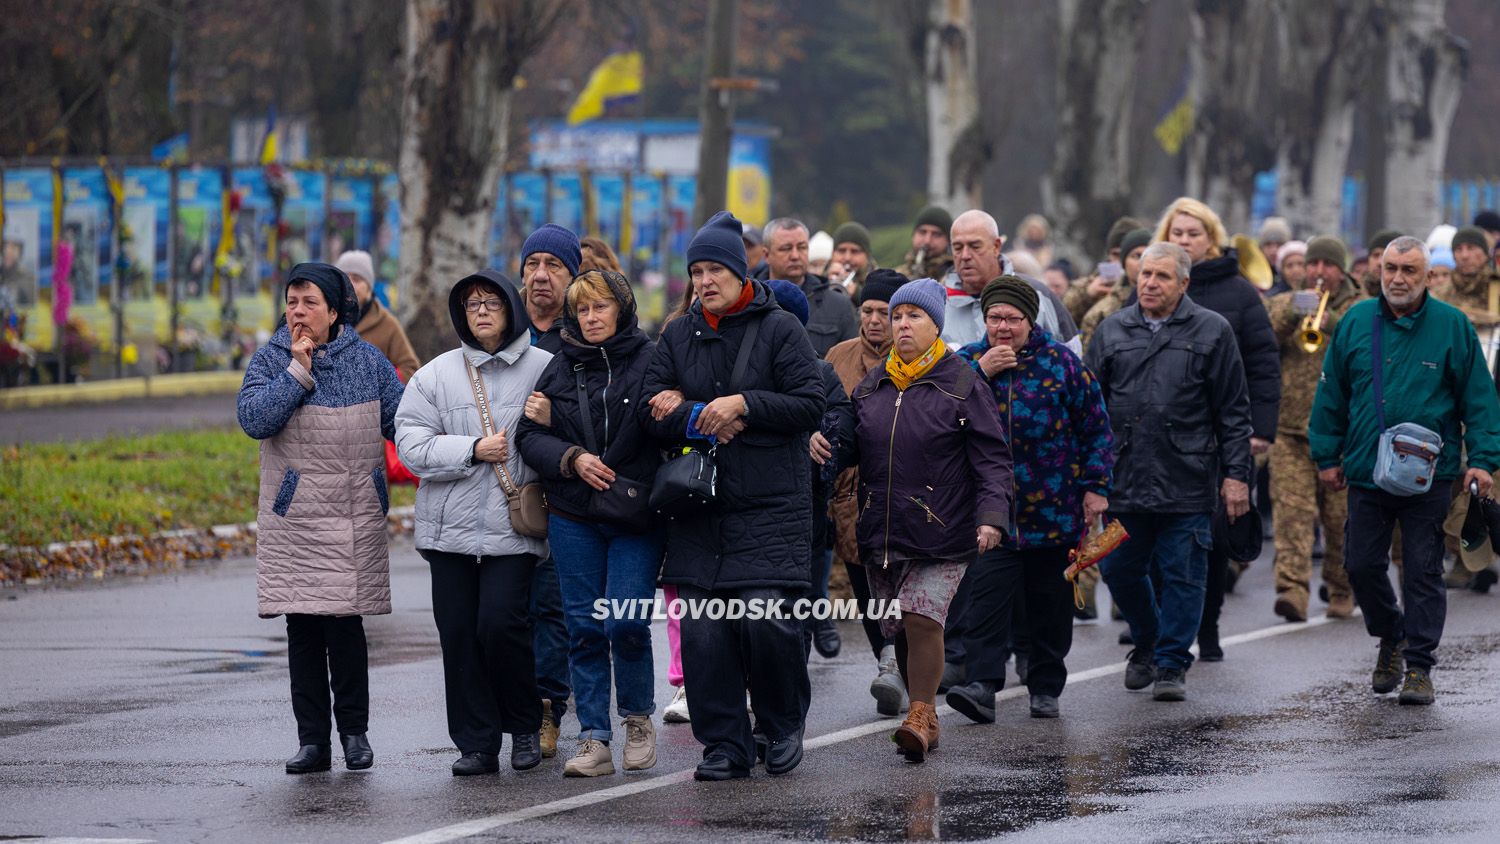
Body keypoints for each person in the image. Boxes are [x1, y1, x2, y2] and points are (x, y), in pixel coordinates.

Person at [642, 211, 825, 781]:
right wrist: (700, 416)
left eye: (714, 268)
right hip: (700, 508)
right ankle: (724, 744)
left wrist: (745, 404)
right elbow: (652, 408)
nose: (703, 280)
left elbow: (809, 404)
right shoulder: (676, 333)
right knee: (703, 632)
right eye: (695, 270)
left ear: (740, 271)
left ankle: (779, 725)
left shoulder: (781, 330)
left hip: (771, 506)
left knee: (766, 621)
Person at [1310, 237, 1500, 705]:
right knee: (1359, 564)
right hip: (1364, 471)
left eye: (1409, 270)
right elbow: (1331, 394)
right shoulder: (1355, 320)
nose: (1398, 278)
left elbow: (1479, 400)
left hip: (1429, 477)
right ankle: (1391, 634)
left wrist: (1482, 461)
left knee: (1422, 571)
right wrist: (1326, 456)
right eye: (1391, 268)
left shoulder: (1452, 326)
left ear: (1429, 277)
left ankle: (1419, 666)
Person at [236, 262, 404, 774]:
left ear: (335, 311)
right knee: (303, 630)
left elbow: (404, 425)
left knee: (345, 629)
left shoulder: (369, 362)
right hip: (296, 521)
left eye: (310, 303)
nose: (298, 313)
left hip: (352, 516)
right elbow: (254, 419)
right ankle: (313, 742)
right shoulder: (270, 360)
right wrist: (297, 371)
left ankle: (355, 735)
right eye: (291, 302)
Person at [843, 277, 1011, 762]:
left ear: (935, 325)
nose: (901, 325)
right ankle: (924, 713)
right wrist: (825, 447)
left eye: (913, 316)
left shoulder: (962, 381)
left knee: (920, 616)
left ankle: (920, 713)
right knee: (895, 625)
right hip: (885, 528)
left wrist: (992, 516)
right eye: (896, 317)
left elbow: (992, 458)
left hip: (945, 527)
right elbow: (854, 447)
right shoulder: (873, 386)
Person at [395, 269, 553, 775]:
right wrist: (471, 449)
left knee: (502, 625)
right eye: (471, 305)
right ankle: (476, 743)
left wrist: (552, 421)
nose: (481, 311)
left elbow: (575, 431)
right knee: (459, 633)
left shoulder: (546, 367)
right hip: (449, 533)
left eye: (491, 302)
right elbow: (410, 446)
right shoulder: (436, 374)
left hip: (513, 528)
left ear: (512, 308)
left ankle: (525, 726)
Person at [1086, 242, 1254, 702]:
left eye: (1161, 276)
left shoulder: (1213, 331)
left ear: (1184, 283)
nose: (1150, 283)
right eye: (1144, 275)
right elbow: (1088, 410)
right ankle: (1149, 639)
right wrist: (1088, 479)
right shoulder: (1112, 330)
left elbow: (1234, 412)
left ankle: (1171, 662)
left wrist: (1237, 475)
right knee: (1119, 569)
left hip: (1188, 476)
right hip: (1124, 478)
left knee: (1184, 573)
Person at [515, 270, 664, 778]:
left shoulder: (650, 359)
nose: (592, 317)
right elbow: (527, 439)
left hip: (633, 514)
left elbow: (650, 428)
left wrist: (561, 425)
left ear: (621, 310)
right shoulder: (559, 367)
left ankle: (638, 719)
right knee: (582, 626)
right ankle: (594, 737)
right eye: (582, 309)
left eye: (601, 307)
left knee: (624, 621)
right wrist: (572, 456)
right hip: (573, 515)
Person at [948, 277, 1112, 721]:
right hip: (989, 513)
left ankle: (1044, 686)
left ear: (1029, 320)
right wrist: (982, 371)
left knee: (1049, 607)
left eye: (1012, 319)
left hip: (1053, 509)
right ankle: (982, 685)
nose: (1003, 327)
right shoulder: (965, 363)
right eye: (994, 318)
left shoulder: (1061, 365)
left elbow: (1096, 429)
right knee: (986, 600)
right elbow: (941, 417)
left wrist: (1096, 487)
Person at [1150, 197, 1281, 660]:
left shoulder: (1240, 292)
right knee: (1159, 538)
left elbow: (1263, 364)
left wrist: (1260, 428)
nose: (1184, 240)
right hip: (1158, 438)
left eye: (1193, 234)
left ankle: (1207, 625)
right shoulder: (1148, 287)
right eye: (1177, 232)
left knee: (1209, 536)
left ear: (1211, 240)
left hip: (1220, 434)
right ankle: (1165, 627)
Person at [824, 269, 908, 716]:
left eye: (887, 313)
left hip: (906, 494)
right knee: (866, 589)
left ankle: (902, 663)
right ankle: (887, 661)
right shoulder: (838, 355)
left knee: (901, 584)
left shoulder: (919, 357)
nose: (876, 321)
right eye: (869, 310)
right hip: (849, 496)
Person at [1264, 236, 1361, 622]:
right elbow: (1262, 334)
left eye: (1327, 265)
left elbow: (1371, 343)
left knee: (1341, 520)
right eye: (1312, 264)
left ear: (1342, 269)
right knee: (1292, 515)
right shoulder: (1288, 299)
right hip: (1289, 430)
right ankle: (1292, 591)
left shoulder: (1360, 306)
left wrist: (1333, 323)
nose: (1318, 272)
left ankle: (1341, 588)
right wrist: (1292, 311)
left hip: (1344, 434)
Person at [516, 224, 582, 757]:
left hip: (562, 494)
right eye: (533, 263)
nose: (541, 275)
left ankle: (547, 711)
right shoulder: (496, 332)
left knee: (551, 609)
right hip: (500, 494)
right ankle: (508, 708)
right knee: (503, 611)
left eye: (553, 265)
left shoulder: (584, 338)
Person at [765, 278, 850, 664]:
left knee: (791, 615)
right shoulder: (733, 374)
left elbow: (842, 432)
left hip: (804, 515)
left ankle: (786, 711)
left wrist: (821, 436)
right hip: (746, 512)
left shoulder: (823, 374)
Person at [946, 210, 1076, 347]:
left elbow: (1073, 359)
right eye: (958, 248)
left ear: (996, 247)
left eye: (975, 246)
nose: (965, 255)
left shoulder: (1039, 295)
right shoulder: (938, 304)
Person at [755, 218, 858, 357]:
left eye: (802, 247)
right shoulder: (750, 300)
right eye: (786, 248)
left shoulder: (838, 304)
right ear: (766, 255)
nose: (795, 256)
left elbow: (849, 364)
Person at [337, 250, 420, 379]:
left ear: (369, 287)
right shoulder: (326, 320)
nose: (350, 285)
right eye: (344, 279)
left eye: (357, 279)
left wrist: (379, 383)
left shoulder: (388, 324)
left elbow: (410, 369)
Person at [1079, 227, 1153, 352]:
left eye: (1148, 255)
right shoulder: (1102, 312)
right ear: (1124, 262)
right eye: (1137, 256)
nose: (1142, 262)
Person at [1063, 216, 1147, 324]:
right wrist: (1087, 295)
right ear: (1108, 255)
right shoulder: (1090, 284)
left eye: (1127, 255)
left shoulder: (1148, 286)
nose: (1120, 261)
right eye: (1116, 254)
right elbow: (1063, 319)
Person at [896, 205, 955, 281]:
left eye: (936, 234)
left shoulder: (954, 276)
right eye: (922, 232)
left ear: (948, 240)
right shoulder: (897, 275)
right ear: (913, 235)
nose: (927, 241)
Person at [829, 221, 875, 295]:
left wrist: (857, 294)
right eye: (841, 250)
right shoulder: (816, 280)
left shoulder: (880, 283)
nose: (847, 258)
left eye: (855, 251)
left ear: (867, 255)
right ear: (832, 253)